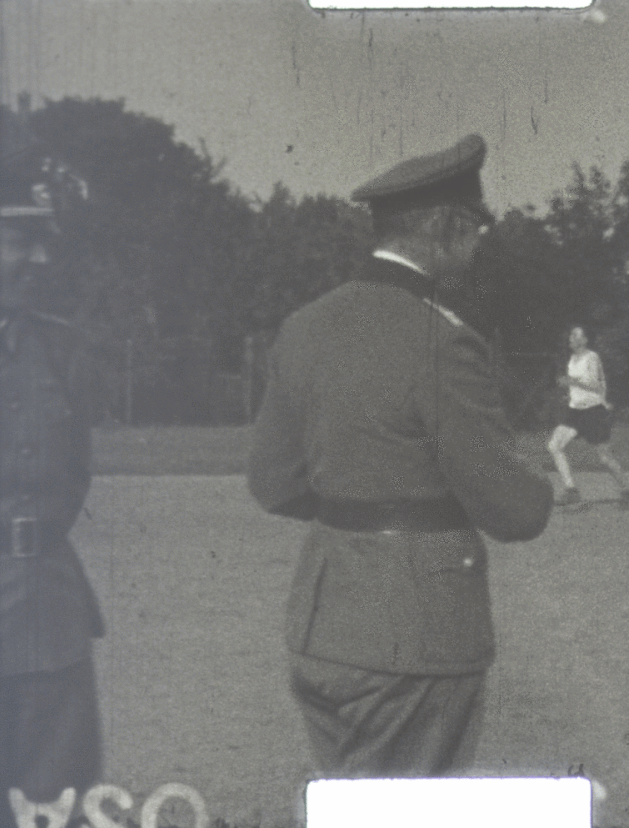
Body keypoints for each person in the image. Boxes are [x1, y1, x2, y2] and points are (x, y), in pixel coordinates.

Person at [247, 133, 553, 778]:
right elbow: (516, 511)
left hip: (323, 621)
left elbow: (273, 482)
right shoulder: (443, 342)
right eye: (474, 228)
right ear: (444, 227)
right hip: (415, 635)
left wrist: (363, 501)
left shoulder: (304, 325)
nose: (478, 244)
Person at [0, 117, 106, 828]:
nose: (42, 257)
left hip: (49, 615)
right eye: (23, 239)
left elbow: (71, 476)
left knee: (59, 807)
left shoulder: (62, 349)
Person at [546, 324, 629, 508]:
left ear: (585, 340)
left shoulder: (591, 357)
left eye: (577, 335)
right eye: (571, 335)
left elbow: (595, 385)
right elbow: (577, 385)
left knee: (604, 459)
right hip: (575, 411)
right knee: (554, 445)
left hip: (594, 411)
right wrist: (569, 392)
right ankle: (572, 491)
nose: (572, 338)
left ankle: (627, 491)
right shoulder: (572, 359)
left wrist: (570, 381)